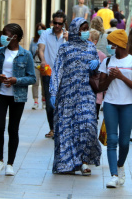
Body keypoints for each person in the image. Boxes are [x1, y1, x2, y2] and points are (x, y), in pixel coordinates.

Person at [50, 17, 101, 175]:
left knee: (88, 126)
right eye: (82, 29)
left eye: (86, 29)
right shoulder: (64, 49)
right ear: (74, 30)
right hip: (67, 94)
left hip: (86, 93)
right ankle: (69, 163)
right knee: (67, 128)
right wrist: (53, 91)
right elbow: (57, 70)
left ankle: (85, 161)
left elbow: (97, 73)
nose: (85, 32)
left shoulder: (91, 48)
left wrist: (96, 64)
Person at [0, 23, 36, 176]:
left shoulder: (26, 55)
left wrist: (16, 80)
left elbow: (32, 78)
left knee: (13, 129)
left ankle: (10, 164)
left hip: (18, 97)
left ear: (14, 37)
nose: (2, 36)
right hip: (0, 95)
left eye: (5, 33)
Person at [99, 29, 132, 188]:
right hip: (110, 103)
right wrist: (110, 78)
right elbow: (100, 87)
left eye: (111, 44)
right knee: (112, 140)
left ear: (119, 45)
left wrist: (121, 77)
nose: (109, 47)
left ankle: (120, 164)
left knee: (124, 142)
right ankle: (114, 175)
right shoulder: (107, 62)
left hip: (127, 105)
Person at [38, 10, 68, 139]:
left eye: (59, 24)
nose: (57, 26)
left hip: (64, 75)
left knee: (63, 103)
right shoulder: (45, 34)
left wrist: (68, 40)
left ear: (63, 24)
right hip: (49, 74)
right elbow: (40, 49)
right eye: (55, 23)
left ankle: (61, 128)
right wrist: (43, 60)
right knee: (50, 105)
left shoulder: (68, 36)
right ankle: (52, 128)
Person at [89, 29, 107, 120]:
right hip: (84, 92)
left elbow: (104, 75)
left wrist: (105, 93)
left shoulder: (102, 56)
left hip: (96, 91)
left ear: (94, 42)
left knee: (94, 118)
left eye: (88, 40)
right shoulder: (81, 53)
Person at [29, 22, 46, 110]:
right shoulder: (33, 40)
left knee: (44, 83)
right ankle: (35, 101)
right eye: (39, 29)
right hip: (35, 64)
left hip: (44, 65)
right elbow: (29, 53)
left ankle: (44, 100)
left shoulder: (47, 39)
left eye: (42, 29)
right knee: (35, 83)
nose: (40, 31)